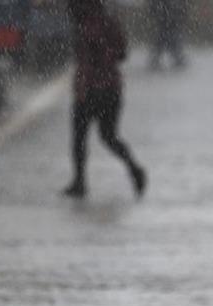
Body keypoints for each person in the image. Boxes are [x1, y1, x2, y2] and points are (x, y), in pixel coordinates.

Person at [64, 0, 146, 199]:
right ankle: (134, 168)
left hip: (89, 89)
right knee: (109, 136)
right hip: (112, 89)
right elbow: (122, 54)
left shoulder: (82, 25)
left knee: (79, 137)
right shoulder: (109, 21)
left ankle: (80, 181)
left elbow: (84, 59)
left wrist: (84, 84)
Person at [148, 0, 187, 70]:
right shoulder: (163, 5)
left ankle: (177, 58)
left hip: (168, 22)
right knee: (167, 40)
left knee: (167, 40)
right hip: (166, 22)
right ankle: (177, 58)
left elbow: (181, 8)